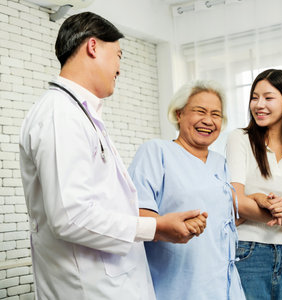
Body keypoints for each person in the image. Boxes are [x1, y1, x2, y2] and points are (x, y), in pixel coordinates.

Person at [19, 12, 205, 300]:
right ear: (93, 47)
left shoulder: (79, 114)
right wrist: (156, 228)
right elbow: (70, 216)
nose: (119, 68)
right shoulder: (60, 115)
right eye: (118, 55)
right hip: (88, 289)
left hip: (110, 284)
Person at [128, 80, 245, 299]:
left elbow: (230, 217)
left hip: (224, 286)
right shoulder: (156, 152)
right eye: (200, 111)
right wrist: (171, 226)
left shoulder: (222, 163)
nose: (208, 121)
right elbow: (138, 216)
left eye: (216, 114)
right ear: (179, 114)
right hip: (176, 286)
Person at [226, 69, 282, 300]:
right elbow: (236, 201)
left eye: (268, 97)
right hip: (247, 249)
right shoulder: (240, 139)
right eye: (254, 97)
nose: (258, 104)